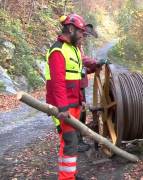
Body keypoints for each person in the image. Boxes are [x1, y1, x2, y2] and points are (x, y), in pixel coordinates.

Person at [45, 13, 92, 179]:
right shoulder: (58, 50)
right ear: (71, 29)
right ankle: (66, 177)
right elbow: (57, 83)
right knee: (70, 142)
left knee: (70, 142)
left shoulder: (74, 49)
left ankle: (69, 174)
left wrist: (81, 100)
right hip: (62, 107)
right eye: (80, 32)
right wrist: (63, 108)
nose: (82, 36)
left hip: (73, 104)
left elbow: (78, 76)